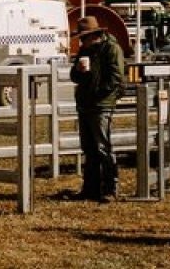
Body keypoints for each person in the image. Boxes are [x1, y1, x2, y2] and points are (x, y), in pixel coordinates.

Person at [68, 16, 125, 203]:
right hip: (86, 103)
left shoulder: (111, 49)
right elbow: (74, 76)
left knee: (103, 147)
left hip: (101, 104)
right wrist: (79, 70)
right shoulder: (86, 51)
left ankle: (110, 187)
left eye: (84, 37)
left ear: (94, 35)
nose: (82, 42)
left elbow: (115, 78)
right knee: (89, 148)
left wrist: (98, 93)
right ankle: (90, 188)